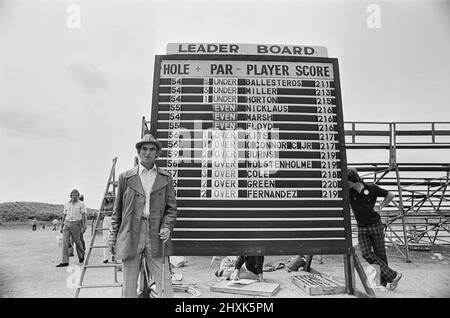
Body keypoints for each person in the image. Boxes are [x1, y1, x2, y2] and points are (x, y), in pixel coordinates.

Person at [109, 133, 178, 298]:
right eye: (144, 149)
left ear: (157, 153)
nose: (147, 152)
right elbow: (117, 211)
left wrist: (167, 226)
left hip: (156, 234)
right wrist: (113, 237)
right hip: (130, 233)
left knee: (165, 281)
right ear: (138, 152)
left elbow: (171, 208)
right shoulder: (125, 177)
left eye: (151, 149)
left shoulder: (166, 177)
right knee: (129, 283)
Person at [347, 167, 403, 291]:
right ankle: (394, 275)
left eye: (347, 181)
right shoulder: (349, 192)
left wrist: (381, 206)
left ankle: (383, 283)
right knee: (366, 254)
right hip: (362, 228)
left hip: (376, 225)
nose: (346, 184)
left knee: (381, 255)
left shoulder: (372, 188)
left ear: (353, 180)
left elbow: (390, 195)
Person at [56, 189, 87, 267]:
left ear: (78, 196)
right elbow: (64, 215)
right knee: (65, 242)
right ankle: (65, 261)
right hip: (67, 223)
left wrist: (84, 226)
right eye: (73, 195)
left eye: (76, 195)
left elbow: (83, 216)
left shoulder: (81, 204)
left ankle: (81, 255)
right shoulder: (66, 204)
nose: (75, 197)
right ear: (71, 196)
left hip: (76, 223)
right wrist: (61, 226)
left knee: (77, 241)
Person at [102, 192, 114, 263]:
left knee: (113, 237)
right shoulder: (104, 203)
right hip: (106, 218)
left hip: (113, 218)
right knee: (105, 238)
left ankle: (114, 255)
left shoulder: (114, 202)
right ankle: (105, 257)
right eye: (107, 196)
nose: (109, 198)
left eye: (110, 196)